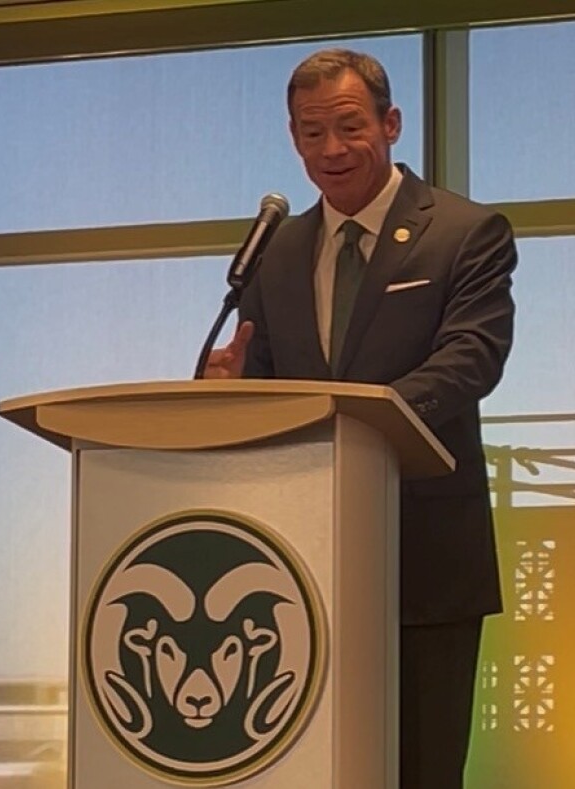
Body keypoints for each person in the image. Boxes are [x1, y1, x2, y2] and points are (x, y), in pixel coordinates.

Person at [206, 47, 517, 789]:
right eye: (311, 133)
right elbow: (269, 377)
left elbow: (472, 358)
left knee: (421, 770)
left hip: (426, 559)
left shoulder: (464, 232)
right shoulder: (274, 254)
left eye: (349, 127)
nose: (331, 151)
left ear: (392, 123)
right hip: (300, 566)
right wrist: (231, 390)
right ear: (293, 138)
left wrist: (364, 425)